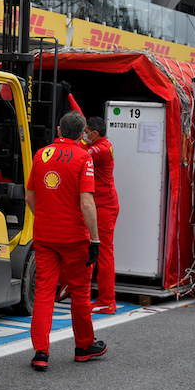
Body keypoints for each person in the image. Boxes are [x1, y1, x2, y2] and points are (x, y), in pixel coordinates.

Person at [26, 110, 105, 372]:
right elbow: (86, 201)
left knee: (44, 293)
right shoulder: (84, 158)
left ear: (59, 130)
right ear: (82, 134)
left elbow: (29, 197)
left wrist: (45, 218)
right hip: (74, 238)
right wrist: (95, 239)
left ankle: (41, 352)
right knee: (80, 292)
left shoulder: (41, 154)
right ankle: (83, 346)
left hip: (45, 235)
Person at [85, 115, 120, 315]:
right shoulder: (101, 144)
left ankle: (107, 301)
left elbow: (81, 154)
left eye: (86, 131)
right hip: (98, 205)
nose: (84, 135)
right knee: (87, 248)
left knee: (104, 254)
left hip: (104, 207)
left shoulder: (101, 148)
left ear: (94, 133)